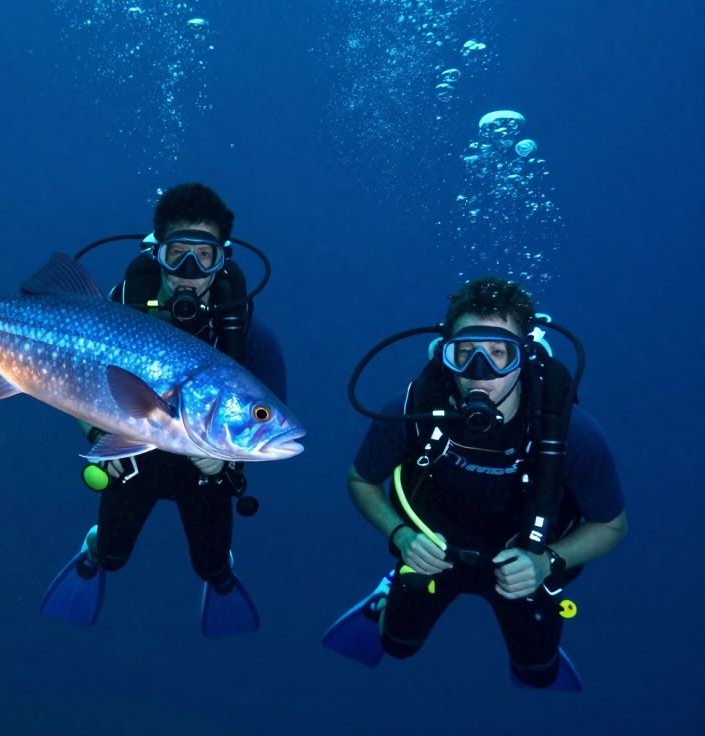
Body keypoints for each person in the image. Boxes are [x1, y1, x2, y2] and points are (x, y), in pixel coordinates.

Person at [324, 277, 627, 689]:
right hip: (432, 552)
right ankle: (386, 594)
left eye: (499, 354)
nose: (480, 374)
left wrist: (546, 563)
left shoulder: (571, 432)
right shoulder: (412, 411)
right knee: (397, 644)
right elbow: (360, 480)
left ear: (525, 358)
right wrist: (400, 536)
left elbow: (611, 524)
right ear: (444, 354)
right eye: (465, 353)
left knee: (538, 672)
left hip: (525, 564)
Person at [40, 183, 280, 637]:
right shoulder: (117, 310)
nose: (189, 271)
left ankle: (221, 575)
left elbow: (264, 423)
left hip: (205, 473)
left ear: (223, 259)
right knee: (113, 552)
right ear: (157, 254)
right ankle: (94, 554)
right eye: (177, 254)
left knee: (211, 566)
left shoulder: (249, 334)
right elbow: (70, 382)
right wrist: (97, 439)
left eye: (204, 257)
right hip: (134, 461)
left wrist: (223, 459)